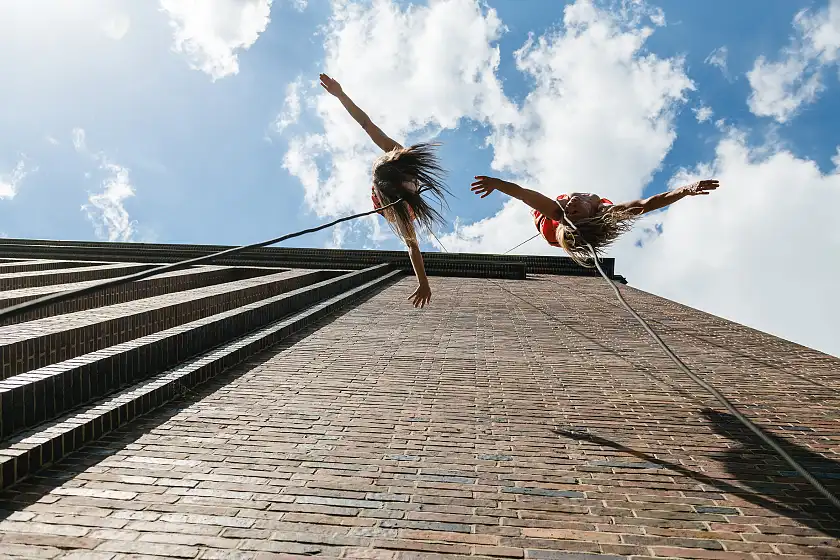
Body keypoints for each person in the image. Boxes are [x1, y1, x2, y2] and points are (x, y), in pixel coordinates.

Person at [320, 74, 449, 308]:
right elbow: (366, 124)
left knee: (408, 224)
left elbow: (412, 246)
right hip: (391, 195)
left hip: (395, 197)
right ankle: (389, 189)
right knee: (406, 223)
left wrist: (423, 281)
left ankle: (393, 190)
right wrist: (341, 95)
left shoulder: (400, 171)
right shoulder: (397, 163)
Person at [470, 175, 720, 266]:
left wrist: (498, 184)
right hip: (561, 229)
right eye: (573, 209)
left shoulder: (559, 211)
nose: (571, 204)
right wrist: (685, 190)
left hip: (554, 228)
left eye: (571, 208)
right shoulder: (601, 211)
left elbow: (525, 195)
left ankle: (566, 235)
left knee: (547, 212)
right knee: (559, 220)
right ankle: (570, 237)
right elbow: (647, 205)